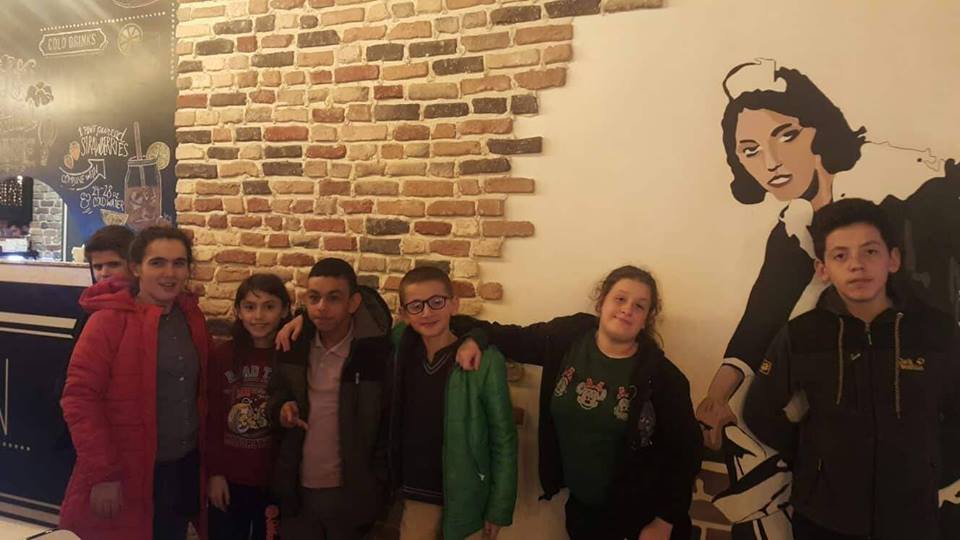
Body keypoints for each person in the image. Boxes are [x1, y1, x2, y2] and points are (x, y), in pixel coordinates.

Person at [696, 58, 960, 539]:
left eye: (786, 136)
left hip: (918, 499)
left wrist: (933, 470)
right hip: (829, 507)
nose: (770, 162)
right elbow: (760, 318)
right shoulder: (797, 233)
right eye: (750, 151)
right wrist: (717, 395)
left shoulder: (912, 192)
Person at [744, 198, 960, 540]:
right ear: (823, 269)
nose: (856, 265)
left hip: (913, 516)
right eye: (840, 255)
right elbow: (759, 410)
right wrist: (812, 460)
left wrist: (933, 468)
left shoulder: (936, 331)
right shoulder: (802, 334)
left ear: (893, 259)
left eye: (870, 252)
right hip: (823, 518)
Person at [456, 265, 702, 540]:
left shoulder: (663, 377)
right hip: (584, 512)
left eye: (639, 306)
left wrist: (664, 521)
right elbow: (512, 338)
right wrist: (475, 337)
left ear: (646, 319)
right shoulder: (568, 338)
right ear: (601, 302)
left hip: (645, 519)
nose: (627, 309)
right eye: (620, 299)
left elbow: (686, 453)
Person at [60, 226, 210, 540]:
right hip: (126, 471)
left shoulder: (191, 317)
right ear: (136, 267)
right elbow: (80, 399)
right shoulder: (107, 321)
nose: (169, 273)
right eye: (157, 263)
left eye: (179, 263)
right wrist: (103, 474)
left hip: (180, 468)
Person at [267, 258, 391, 540]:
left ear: (353, 303)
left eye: (334, 298)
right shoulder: (294, 344)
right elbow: (275, 393)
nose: (322, 307)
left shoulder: (373, 353)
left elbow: (386, 422)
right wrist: (281, 409)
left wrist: (377, 484)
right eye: (314, 298)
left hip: (351, 491)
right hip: (297, 488)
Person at [390, 266, 517, 540]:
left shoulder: (485, 360)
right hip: (417, 490)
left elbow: (503, 437)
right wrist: (303, 320)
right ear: (404, 313)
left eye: (437, 302)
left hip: (466, 494)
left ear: (454, 304)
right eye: (416, 306)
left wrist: (499, 507)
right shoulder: (401, 347)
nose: (427, 312)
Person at [206, 274, 291, 540]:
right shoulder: (223, 355)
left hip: (275, 478)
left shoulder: (293, 356)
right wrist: (215, 473)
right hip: (230, 477)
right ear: (238, 311)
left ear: (285, 310)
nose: (259, 316)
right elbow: (212, 418)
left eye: (269, 306)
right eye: (250, 307)